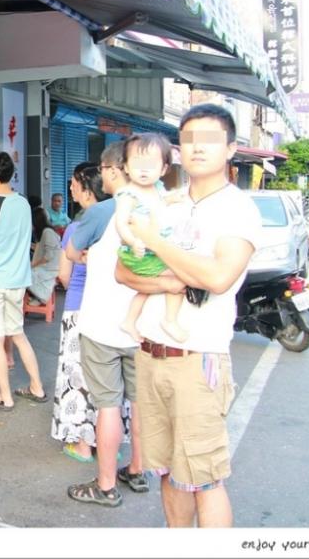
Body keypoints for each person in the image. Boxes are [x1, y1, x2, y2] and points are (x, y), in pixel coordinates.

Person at [118, 103, 261, 527]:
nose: (197, 148)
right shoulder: (166, 204)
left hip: (197, 360)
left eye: (210, 139)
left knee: (203, 477)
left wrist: (158, 248)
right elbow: (123, 270)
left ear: (231, 148)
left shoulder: (237, 209)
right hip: (149, 354)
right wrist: (171, 281)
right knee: (166, 471)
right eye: (188, 139)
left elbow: (217, 277)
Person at [64, 142, 160, 508]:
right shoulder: (160, 206)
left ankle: (105, 485)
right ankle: (137, 469)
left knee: (107, 405)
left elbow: (73, 253)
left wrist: (86, 253)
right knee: (138, 403)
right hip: (144, 326)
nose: (101, 176)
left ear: (116, 170)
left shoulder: (102, 211)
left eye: (103, 170)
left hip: (102, 325)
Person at [0, 152, 47, 411]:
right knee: (18, 335)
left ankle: (5, 396)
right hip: (17, 281)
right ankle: (37, 386)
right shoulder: (24, 204)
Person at [50, 162, 105, 463]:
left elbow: (64, 275)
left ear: (85, 189)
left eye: (73, 183)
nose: (69, 187)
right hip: (109, 311)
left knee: (77, 376)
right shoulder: (115, 221)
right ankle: (107, 441)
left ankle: (82, 445)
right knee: (106, 379)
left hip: (78, 309)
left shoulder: (77, 227)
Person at [113, 133, 188, 343]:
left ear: (164, 169)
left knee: (146, 289)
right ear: (126, 167)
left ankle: (129, 321)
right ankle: (170, 320)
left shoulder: (157, 189)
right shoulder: (128, 194)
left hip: (152, 250)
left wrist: (173, 199)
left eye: (151, 164)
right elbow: (121, 223)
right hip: (139, 253)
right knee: (180, 276)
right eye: (137, 162)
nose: (144, 169)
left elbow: (161, 203)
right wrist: (133, 241)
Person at [27, 208, 61, 305]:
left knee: (23, 274)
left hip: (50, 268)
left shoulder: (47, 232)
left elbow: (48, 256)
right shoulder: (45, 232)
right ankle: (36, 297)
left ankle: (39, 297)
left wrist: (32, 266)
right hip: (46, 266)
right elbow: (40, 248)